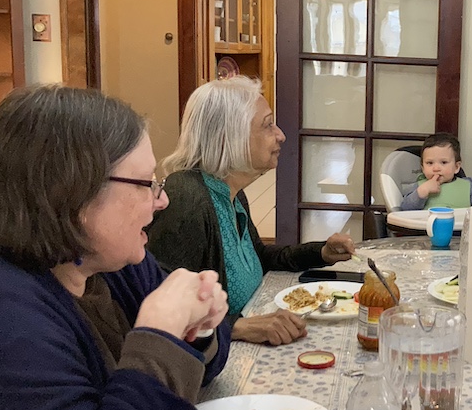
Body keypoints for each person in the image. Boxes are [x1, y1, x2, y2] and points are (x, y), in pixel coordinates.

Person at [0, 86, 231, 410]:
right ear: (73, 194)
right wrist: (159, 338)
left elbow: (209, 362)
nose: (162, 200)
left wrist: (199, 326)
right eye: (146, 183)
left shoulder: (106, 262)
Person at [146, 76, 356, 346]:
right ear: (229, 137)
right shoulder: (186, 200)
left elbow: (257, 257)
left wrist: (320, 252)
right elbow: (159, 310)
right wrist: (237, 327)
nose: (281, 135)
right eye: (268, 125)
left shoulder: (230, 192)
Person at [399, 133, 472, 210]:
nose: (436, 168)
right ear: (422, 167)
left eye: (443, 162)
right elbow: (404, 209)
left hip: (460, 235)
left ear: (456, 167)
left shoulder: (468, 186)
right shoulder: (419, 187)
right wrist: (422, 192)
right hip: (424, 236)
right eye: (429, 163)